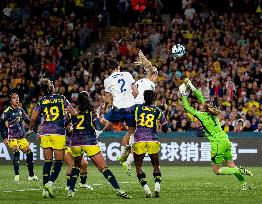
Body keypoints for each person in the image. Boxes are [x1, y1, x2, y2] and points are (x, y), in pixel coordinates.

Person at [179, 78, 253, 190]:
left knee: (217, 170)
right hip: (226, 140)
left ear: (204, 108)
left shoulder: (201, 116)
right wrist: (191, 85)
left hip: (217, 143)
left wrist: (183, 93)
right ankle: (244, 185)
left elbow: (187, 107)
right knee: (231, 165)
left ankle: (239, 170)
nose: (199, 105)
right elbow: (200, 97)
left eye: (201, 106)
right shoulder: (213, 113)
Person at [67, 91, 131, 199]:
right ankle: (118, 190)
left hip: (75, 142)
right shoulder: (92, 111)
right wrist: (104, 121)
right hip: (89, 142)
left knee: (77, 166)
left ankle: (71, 191)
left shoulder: (73, 111)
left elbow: (66, 126)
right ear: (88, 99)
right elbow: (99, 127)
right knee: (103, 168)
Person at [29, 78, 78, 198]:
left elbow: (33, 118)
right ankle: (50, 184)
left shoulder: (41, 101)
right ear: (51, 88)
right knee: (59, 161)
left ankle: (44, 190)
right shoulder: (61, 98)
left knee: (47, 162)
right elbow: (74, 113)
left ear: (42, 90)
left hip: (45, 133)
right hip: (58, 133)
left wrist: (31, 129)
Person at [121, 50, 159, 176]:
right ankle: (128, 161)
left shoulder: (139, 81)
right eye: (156, 76)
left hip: (130, 108)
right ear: (153, 75)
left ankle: (124, 155)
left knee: (133, 133)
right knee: (142, 136)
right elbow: (149, 100)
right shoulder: (150, 84)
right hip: (140, 110)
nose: (156, 79)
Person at [101, 57, 138, 170]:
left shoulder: (107, 80)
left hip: (118, 109)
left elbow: (107, 100)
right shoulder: (127, 75)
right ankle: (123, 155)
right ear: (118, 67)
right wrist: (130, 100)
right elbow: (136, 92)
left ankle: (89, 141)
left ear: (109, 69)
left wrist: (105, 107)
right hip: (131, 108)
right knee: (132, 132)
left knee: (100, 125)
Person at [0, 93, 38, 182]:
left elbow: (28, 121)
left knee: (29, 153)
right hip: (12, 137)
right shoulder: (7, 112)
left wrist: (35, 131)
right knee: (16, 153)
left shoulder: (20, 110)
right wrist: (4, 137)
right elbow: (1, 124)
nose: (16, 100)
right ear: (10, 101)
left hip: (21, 137)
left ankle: (31, 175)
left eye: (17, 98)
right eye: (14, 98)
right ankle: (17, 176)